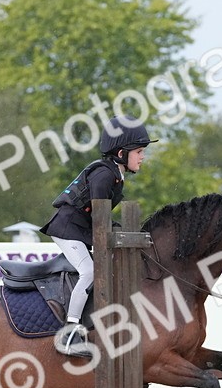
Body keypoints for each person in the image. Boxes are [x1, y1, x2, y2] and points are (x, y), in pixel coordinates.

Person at [40, 115, 155, 357]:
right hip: (67, 229)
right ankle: (70, 333)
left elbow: (101, 220)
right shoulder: (104, 175)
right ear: (122, 153)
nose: (142, 157)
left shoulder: (114, 173)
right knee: (89, 272)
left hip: (78, 228)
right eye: (139, 152)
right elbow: (99, 217)